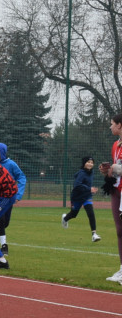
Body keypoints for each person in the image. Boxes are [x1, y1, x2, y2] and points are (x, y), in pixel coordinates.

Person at [0, 142, 27, 253]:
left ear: (1, 152)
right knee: (1, 220)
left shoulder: (11, 164)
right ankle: (4, 246)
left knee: (6, 223)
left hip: (9, 197)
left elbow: (22, 177)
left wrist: (18, 194)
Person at [100, 113, 122, 283]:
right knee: (119, 231)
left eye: (112, 123)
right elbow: (116, 168)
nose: (110, 127)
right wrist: (107, 170)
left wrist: (116, 168)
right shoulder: (115, 144)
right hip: (116, 189)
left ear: (120, 125)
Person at [62, 156, 100, 242]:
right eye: (88, 162)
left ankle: (94, 234)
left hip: (87, 196)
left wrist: (90, 190)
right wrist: (89, 188)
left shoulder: (92, 172)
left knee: (91, 213)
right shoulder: (81, 173)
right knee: (73, 214)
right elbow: (77, 185)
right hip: (77, 197)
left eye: (92, 162)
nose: (90, 164)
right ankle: (65, 219)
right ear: (84, 163)